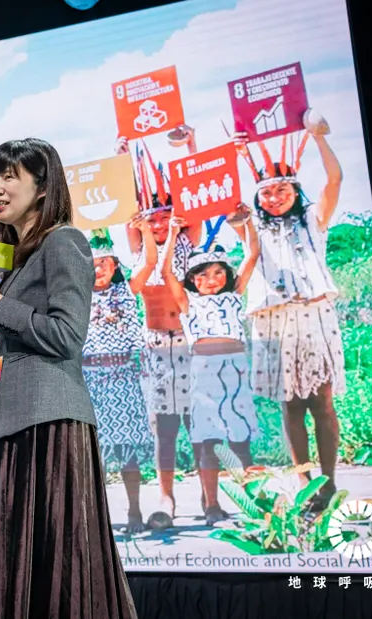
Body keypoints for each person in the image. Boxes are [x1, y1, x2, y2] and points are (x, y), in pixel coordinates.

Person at [0, 138, 137, 619]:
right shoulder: (11, 258)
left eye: (9, 177)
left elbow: (67, 337)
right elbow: (4, 351)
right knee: (18, 554)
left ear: (43, 185)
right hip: (8, 422)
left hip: (50, 422)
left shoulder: (64, 242)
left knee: (60, 553)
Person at [233, 112, 344, 510]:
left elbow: (334, 180)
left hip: (314, 319)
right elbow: (220, 194)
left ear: (295, 190)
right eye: (266, 192)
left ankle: (329, 482)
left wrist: (317, 137)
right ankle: (305, 483)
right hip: (274, 324)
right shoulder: (251, 227)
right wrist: (231, 153)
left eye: (282, 189)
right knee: (291, 405)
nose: (274, 197)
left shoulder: (313, 220)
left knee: (322, 403)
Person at [118, 133, 204, 530]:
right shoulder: (139, 252)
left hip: (190, 342)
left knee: (197, 424)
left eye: (164, 215)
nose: (157, 222)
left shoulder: (187, 240)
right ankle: (166, 497)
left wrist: (190, 147)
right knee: (164, 428)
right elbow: (126, 207)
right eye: (150, 218)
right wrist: (121, 159)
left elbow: (197, 187)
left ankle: (209, 496)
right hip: (154, 345)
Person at [161, 205, 261, 525]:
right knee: (209, 441)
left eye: (218, 272)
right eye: (202, 275)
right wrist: (172, 234)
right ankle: (212, 505)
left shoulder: (235, 294)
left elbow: (252, 254)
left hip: (236, 370)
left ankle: (254, 502)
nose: (211, 280)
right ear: (192, 279)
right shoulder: (189, 302)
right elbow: (166, 273)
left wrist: (247, 222)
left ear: (227, 275)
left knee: (241, 440)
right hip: (204, 373)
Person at [82, 228, 153, 533]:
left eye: (103, 263)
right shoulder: (74, 298)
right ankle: (94, 519)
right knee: (91, 452)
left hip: (123, 377)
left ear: (114, 266)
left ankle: (134, 511)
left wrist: (145, 229)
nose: (98, 270)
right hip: (88, 379)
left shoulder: (126, 291)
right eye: (91, 264)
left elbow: (149, 263)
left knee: (127, 450)